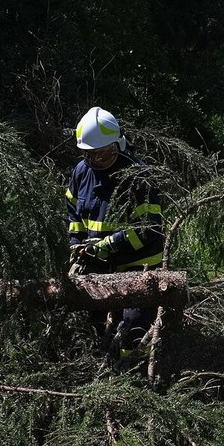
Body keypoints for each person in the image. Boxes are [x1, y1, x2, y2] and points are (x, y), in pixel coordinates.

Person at [66, 107, 164, 358]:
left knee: (132, 333)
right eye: (91, 154)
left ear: (117, 145)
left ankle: (138, 380)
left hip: (138, 268)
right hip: (98, 265)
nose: (97, 160)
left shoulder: (138, 175)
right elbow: (73, 214)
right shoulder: (81, 172)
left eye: (103, 154)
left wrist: (108, 245)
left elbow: (149, 227)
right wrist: (75, 245)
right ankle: (104, 378)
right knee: (96, 329)